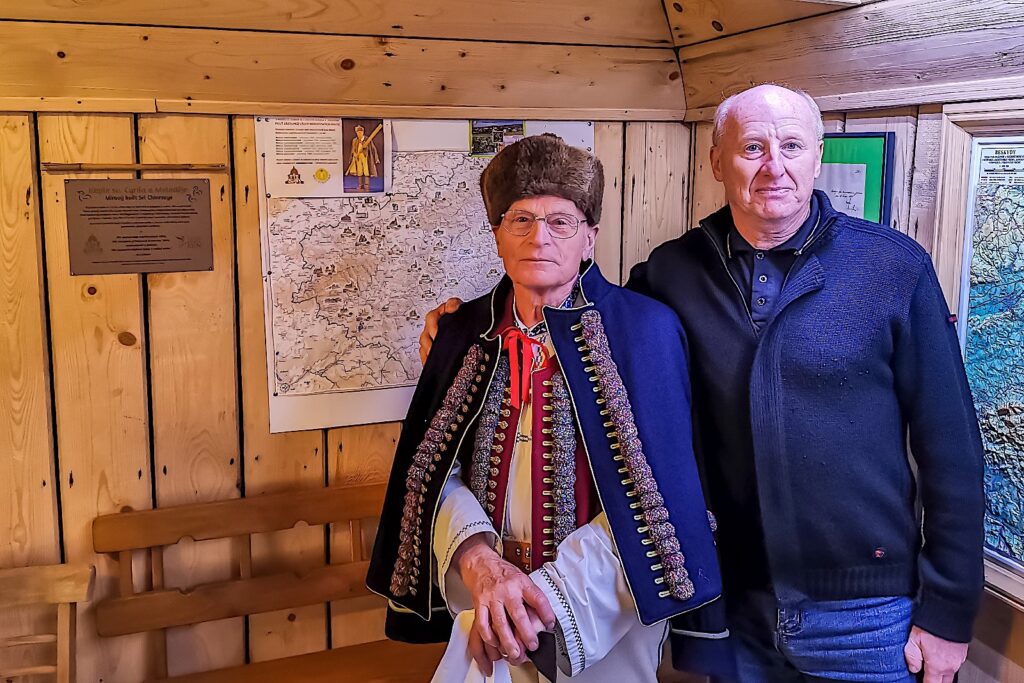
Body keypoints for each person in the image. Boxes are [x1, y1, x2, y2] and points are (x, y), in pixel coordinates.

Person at [419, 85, 986, 683]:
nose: (774, 166)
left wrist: (948, 613)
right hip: (734, 607)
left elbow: (951, 448)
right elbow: (583, 318)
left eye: (792, 146)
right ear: (718, 161)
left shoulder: (894, 267)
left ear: (818, 156)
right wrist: (457, 332)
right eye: (752, 147)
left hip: (865, 615)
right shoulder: (671, 273)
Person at [367, 133, 726, 682]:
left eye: (561, 221)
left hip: (603, 614)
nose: (540, 238)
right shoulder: (461, 333)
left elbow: (663, 497)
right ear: (497, 235)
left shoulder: (645, 330)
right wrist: (481, 564)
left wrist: (543, 598)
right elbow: (434, 474)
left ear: (589, 239)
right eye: (521, 220)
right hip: (482, 604)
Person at [347, 123, 382, 192]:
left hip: (365, 157)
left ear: (363, 132)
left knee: (366, 171)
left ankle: (367, 186)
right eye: (358, 132)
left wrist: (376, 158)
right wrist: (353, 155)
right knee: (359, 172)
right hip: (358, 158)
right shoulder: (354, 140)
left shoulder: (368, 140)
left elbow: (373, 148)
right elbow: (353, 149)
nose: (359, 133)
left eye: (360, 132)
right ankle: (360, 185)